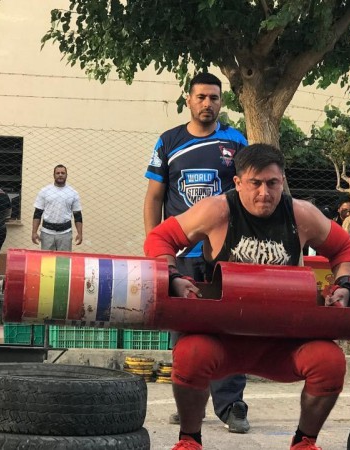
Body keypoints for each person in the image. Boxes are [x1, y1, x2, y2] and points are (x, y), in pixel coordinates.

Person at [144, 144, 350, 450]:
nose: (264, 193)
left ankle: (304, 442)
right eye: (255, 183)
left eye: (272, 183)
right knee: (189, 355)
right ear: (238, 183)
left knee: (329, 362)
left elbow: (345, 250)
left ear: (281, 182)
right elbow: (160, 238)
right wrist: (174, 277)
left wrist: (345, 284)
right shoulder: (216, 211)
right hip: (223, 339)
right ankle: (190, 440)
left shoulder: (301, 214)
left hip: (284, 341)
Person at [143, 72, 250, 432]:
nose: (207, 103)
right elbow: (154, 197)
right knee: (185, 331)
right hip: (182, 253)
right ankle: (191, 400)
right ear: (188, 100)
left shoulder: (236, 141)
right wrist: (158, 252)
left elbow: (247, 194)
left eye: (214, 98)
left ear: (222, 102)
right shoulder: (168, 141)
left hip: (226, 254)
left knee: (230, 327)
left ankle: (232, 406)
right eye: (201, 97)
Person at [31, 165, 83, 251]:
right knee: (47, 262)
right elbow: (37, 213)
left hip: (65, 234)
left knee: (63, 262)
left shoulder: (73, 193)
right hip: (47, 233)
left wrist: (80, 234)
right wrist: (34, 232)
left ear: (66, 175)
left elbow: (77, 215)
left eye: (63, 173)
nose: (60, 175)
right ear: (53, 175)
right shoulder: (44, 191)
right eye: (57, 173)